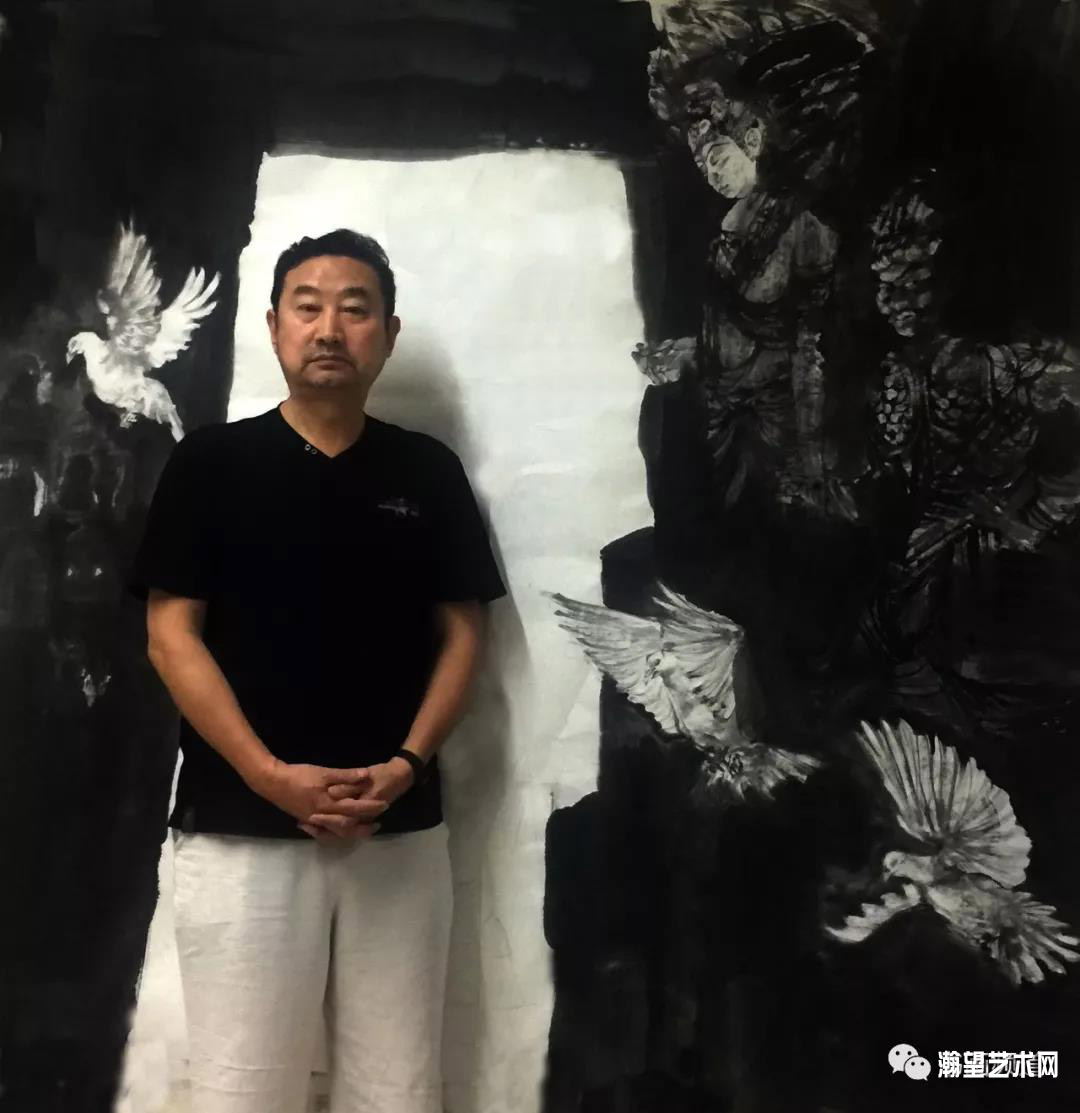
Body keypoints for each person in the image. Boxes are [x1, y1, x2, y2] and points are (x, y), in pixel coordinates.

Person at [128, 228, 506, 1113]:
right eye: (308, 307)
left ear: (388, 333)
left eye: (354, 308)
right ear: (274, 326)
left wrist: (405, 764)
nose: (329, 328)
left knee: (397, 1088)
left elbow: (464, 635)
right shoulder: (210, 464)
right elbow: (170, 637)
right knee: (241, 1089)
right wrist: (267, 774)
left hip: (396, 826)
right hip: (239, 828)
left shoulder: (427, 471)